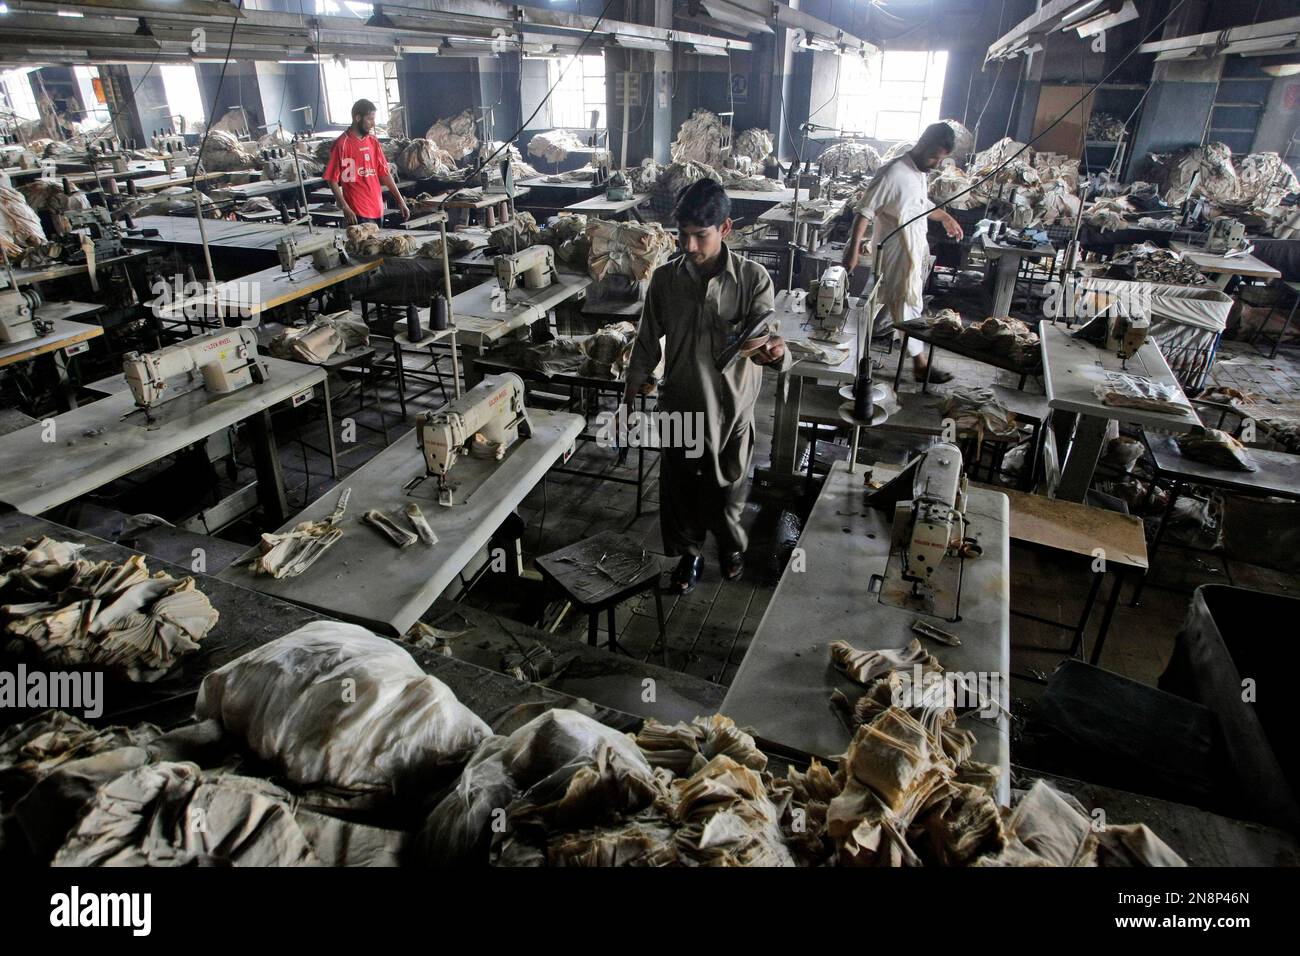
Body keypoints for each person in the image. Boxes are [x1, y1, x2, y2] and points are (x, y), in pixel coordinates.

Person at [624, 179, 790, 594]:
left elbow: (769, 336)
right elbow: (646, 341)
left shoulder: (754, 279)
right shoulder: (665, 280)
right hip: (682, 405)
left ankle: (732, 547)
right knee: (682, 490)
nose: (690, 247)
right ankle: (690, 556)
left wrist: (775, 353)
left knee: (730, 490)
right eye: (683, 235)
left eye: (701, 236)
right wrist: (630, 393)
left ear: (726, 228)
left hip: (733, 409)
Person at [842, 122, 964, 383]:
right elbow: (863, 212)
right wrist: (851, 252)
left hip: (913, 251)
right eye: (934, 157)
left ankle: (854, 351)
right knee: (904, 305)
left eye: (939, 160)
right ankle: (918, 365)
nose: (935, 164)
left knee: (887, 306)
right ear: (923, 144)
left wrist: (944, 217)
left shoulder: (919, 171)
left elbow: (918, 204)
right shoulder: (892, 172)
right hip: (894, 253)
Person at [323, 98, 409, 226]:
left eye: (374, 119)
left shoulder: (373, 142)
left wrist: (400, 200)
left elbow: (384, 173)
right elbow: (331, 179)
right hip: (357, 211)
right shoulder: (342, 144)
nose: (373, 123)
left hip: (377, 208)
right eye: (369, 119)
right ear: (357, 118)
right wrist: (345, 207)